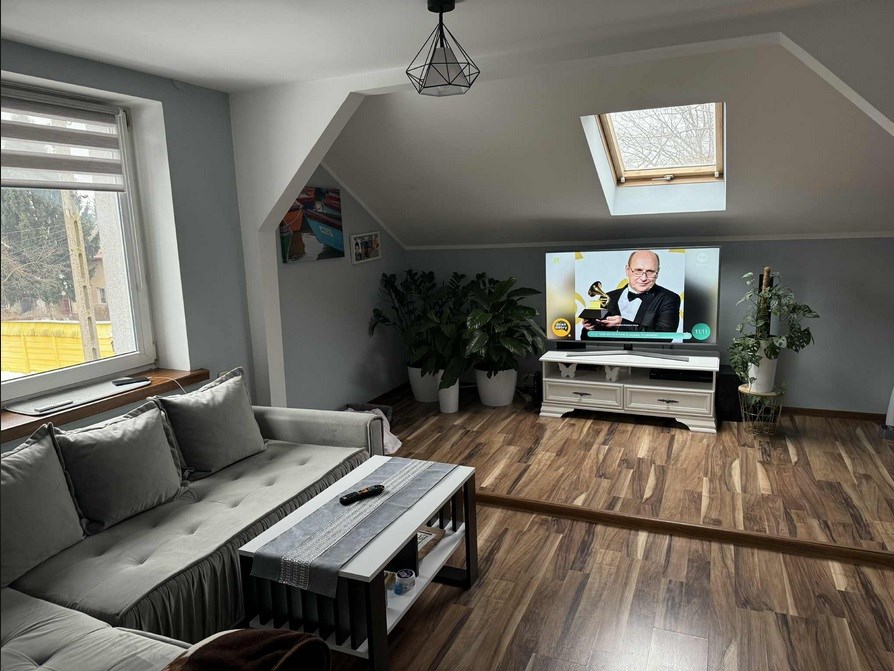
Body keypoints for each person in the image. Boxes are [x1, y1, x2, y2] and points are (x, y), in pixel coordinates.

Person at [581, 250, 680, 336]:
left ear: (657, 272)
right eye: (638, 270)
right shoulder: (609, 297)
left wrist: (622, 325)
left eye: (650, 271)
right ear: (627, 270)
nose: (643, 278)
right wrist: (591, 328)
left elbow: (664, 338)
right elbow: (589, 340)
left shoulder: (670, 298)